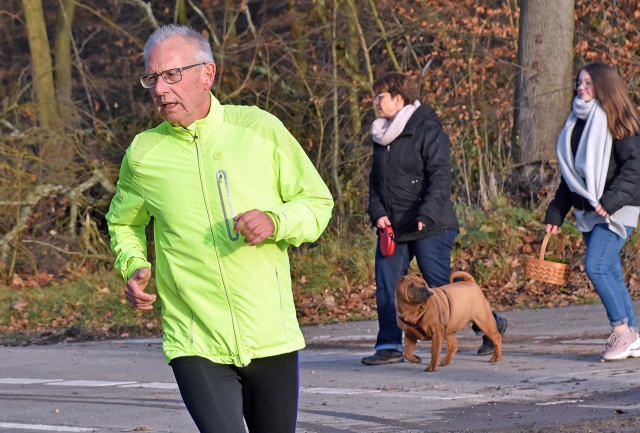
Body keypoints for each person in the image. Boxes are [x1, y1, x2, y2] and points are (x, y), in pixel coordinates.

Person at [106, 25, 333, 433]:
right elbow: (124, 221)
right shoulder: (143, 154)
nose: (159, 89)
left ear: (206, 75)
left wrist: (276, 220)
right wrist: (134, 264)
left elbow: (317, 204)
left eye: (171, 75)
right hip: (194, 337)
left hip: (269, 333)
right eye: (152, 78)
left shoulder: (260, 129)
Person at [362, 72, 507, 366]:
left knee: (443, 289)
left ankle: (490, 326)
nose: (375, 102)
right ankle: (389, 345)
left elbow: (441, 176)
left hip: (431, 224)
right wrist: (377, 214)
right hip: (394, 228)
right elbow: (375, 183)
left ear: (398, 99)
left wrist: (425, 214)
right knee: (389, 284)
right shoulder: (381, 136)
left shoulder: (428, 129)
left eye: (381, 96)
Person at [544, 61, 640, 362]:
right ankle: (634, 336)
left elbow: (635, 170)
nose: (581, 87)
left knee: (597, 267)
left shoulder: (621, 122)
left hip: (617, 210)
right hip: (589, 212)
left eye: (589, 83)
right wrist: (556, 213)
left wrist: (611, 201)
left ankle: (621, 331)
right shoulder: (574, 124)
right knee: (612, 270)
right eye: (579, 82)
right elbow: (571, 177)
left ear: (604, 86)